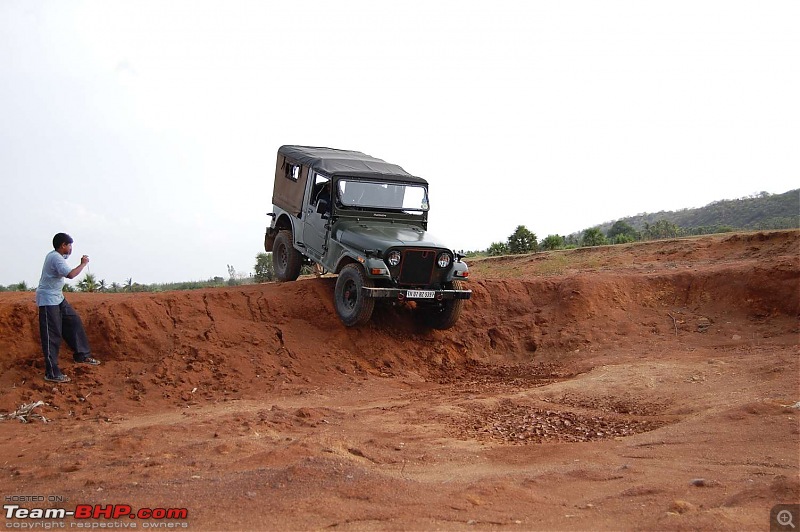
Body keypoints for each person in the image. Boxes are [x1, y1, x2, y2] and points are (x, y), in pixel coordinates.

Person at [36, 233, 100, 383]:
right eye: (69, 245)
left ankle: (81, 355)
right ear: (63, 245)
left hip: (57, 297)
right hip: (48, 299)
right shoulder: (55, 258)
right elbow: (71, 274)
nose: (71, 248)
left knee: (73, 321)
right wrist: (83, 264)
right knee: (52, 334)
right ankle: (51, 372)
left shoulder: (58, 256)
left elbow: (66, 265)